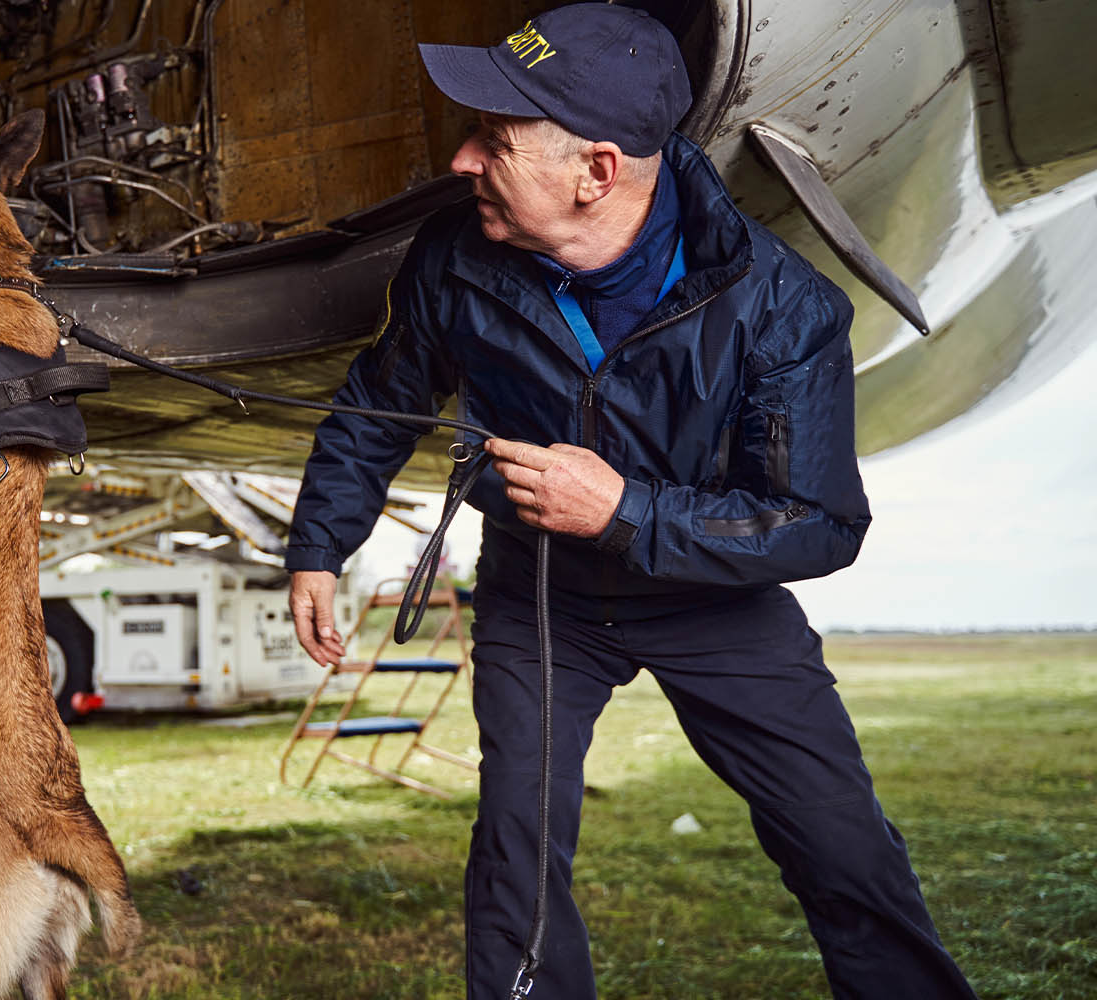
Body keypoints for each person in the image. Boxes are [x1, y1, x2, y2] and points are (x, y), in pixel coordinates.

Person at [283, 5, 977, 998]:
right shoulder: (454, 256)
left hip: (716, 605)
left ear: (595, 171)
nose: (464, 160)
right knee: (515, 857)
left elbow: (820, 524)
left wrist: (625, 511)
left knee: (841, 849)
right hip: (541, 598)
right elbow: (379, 404)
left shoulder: (784, 308)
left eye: (497, 139)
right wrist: (318, 545)